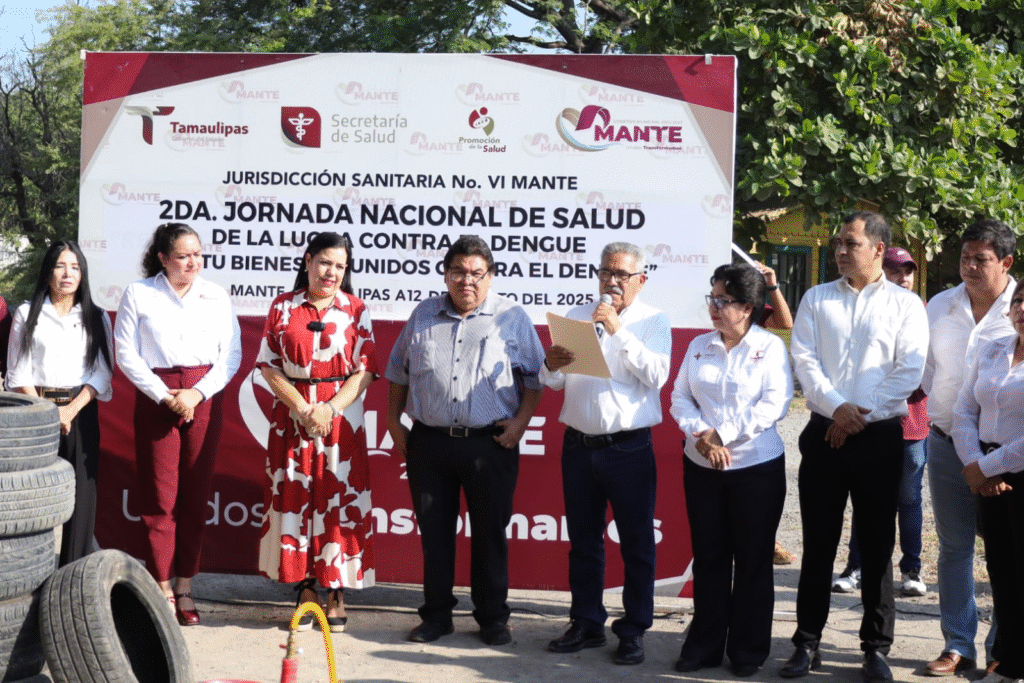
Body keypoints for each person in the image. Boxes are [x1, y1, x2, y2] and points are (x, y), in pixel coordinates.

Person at [781, 211, 928, 683]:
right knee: (819, 543)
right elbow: (805, 360)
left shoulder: (907, 306)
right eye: (839, 243)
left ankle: (875, 648)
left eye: (851, 243)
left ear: (879, 249)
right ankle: (807, 642)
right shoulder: (817, 298)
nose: (841, 251)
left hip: (879, 438)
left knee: (878, 544)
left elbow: (909, 370)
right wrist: (837, 409)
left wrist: (856, 415)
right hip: (824, 433)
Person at [385, 235, 544, 647]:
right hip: (430, 443)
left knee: (489, 534)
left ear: (490, 276)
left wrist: (520, 423)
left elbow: (535, 378)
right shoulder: (423, 314)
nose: (466, 280)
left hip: (490, 444)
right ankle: (436, 616)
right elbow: (398, 371)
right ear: (445, 275)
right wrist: (393, 421)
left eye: (476, 273)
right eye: (458, 271)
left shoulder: (512, 317)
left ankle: (492, 617)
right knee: (434, 534)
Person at [542, 242, 671, 666]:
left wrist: (617, 329)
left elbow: (656, 375)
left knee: (636, 544)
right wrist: (552, 363)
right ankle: (586, 623)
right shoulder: (578, 315)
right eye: (605, 272)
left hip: (627, 448)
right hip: (578, 446)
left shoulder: (653, 320)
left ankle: (633, 630)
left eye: (621, 275)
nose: (611, 281)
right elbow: (553, 382)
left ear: (641, 280)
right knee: (583, 542)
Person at [114, 222, 241, 626]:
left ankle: (185, 584)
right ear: (163, 258)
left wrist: (196, 394)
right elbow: (125, 353)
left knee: (195, 495)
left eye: (198, 254)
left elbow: (231, 355)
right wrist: (166, 395)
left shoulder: (215, 295)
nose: (193, 263)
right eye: (183, 256)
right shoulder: (140, 293)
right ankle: (162, 585)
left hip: (203, 396)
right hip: (158, 397)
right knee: (159, 498)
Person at [669, 263, 793, 677]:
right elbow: (679, 397)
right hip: (701, 465)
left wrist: (721, 434)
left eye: (723, 301)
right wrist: (701, 435)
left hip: (755, 467)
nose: (714, 308)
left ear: (748, 306)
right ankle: (704, 646)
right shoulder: (699, 345)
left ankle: (748, 650)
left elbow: (773, 404)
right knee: (709, 557)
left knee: (753, 560)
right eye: (712, 299)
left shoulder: (769, 347)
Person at [257, 232, 378, 632]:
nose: (332, 272)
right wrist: (303, 407)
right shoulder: (282, 306)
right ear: (308, 261)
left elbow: (365, 371)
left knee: (337, 501)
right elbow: (269, 366)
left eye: (340, 266)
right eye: (325, 262)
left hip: (340, 421)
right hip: (293, 417)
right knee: (297, 498)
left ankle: (336, 589)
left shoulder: (356, 309)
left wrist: (328, 408)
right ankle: (306, 586)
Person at [921, 219, 1012, 678]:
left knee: (1006, 552)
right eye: (965, 258)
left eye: (982, 259)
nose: (970, 267)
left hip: (1006, 458)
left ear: (1006, 263)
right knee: (954, 549)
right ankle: (958, 644)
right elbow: (928, 373)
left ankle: (1004, 647)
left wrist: (988, 457)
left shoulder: (1019, 309)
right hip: (944, 444)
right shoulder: (940, 305)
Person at [6, 240, 113, 566]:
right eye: (60, 266)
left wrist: (69, 411)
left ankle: (72, 573)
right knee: (33, 495)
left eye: (75, 267)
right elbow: (17, 371)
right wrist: (48, 412)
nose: (68, 274)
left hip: (80, 411)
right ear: (47, 272)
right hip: (36, 413)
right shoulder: (27, 313)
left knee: (82, 498)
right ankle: (28, 570)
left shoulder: (96, 316)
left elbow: (102, 373)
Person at [832, 246, 930, 597]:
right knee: (866, 496)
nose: (902, 278)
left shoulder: (920, 311)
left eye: (908, 271)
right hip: (869, 421)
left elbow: (920, 370)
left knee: (909, 498)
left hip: (912, 424)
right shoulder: (866, 311)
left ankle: (912, 569)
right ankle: (856, 566)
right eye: (894, 270)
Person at [952, 276, 1024, 683]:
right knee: (1003, 572)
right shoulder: (992, 348)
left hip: (1014, 474)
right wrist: (975, 464)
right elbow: (964, 409)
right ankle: (1009, 664)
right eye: (1019, 301)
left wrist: (987, 467)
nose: (1023, 309)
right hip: (987, 476)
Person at [754, 261, 798, 566]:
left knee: (758, 484)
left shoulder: (749, 309)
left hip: (755, 415)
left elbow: (785, 322)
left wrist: (772, 284)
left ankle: (766, 539)